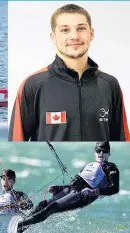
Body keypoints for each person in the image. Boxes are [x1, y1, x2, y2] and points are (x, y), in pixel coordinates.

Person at [9, 4, 129, 141]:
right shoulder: (33, 85)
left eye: (81, 28)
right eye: (65, 30)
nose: (74, 36)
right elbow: (15, 141)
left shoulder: (110, 84)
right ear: (53, 37)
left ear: (91, 34)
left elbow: (123, 141)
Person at [17, 141, 119, 232]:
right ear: (95, 152)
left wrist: (94, 192)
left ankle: (18, 226)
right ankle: (18, 230)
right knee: (42, 205)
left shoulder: (110, 167)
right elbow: (74, 185)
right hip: (71, 189)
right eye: (98, 150)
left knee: (51, 208)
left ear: (109, 153)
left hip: (83, 195)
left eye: (104, 151)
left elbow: (115, 188)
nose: (101, 153)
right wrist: (60, 188)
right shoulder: (89, 165)